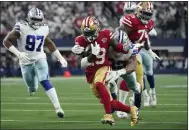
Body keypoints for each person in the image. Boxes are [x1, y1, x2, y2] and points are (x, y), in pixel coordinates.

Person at [72, 16, 140, 126]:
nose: (88, 36)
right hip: (90, 74)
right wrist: (88, 54)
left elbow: (118, 47)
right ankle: (132, 110)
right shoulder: (80, 40)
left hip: (103, 68)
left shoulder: (106, 34)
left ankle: (108, 116)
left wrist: (127, 47)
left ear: (97, 29)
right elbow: (80, 64)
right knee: (108, 102)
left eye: (91, 32)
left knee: (99, 84)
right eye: (86, 33)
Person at [3, 8, 68, 118]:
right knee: (32, 87)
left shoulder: (44, 28)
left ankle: (58, 108)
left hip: (39, 58)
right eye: (34, 19)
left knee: (45, 80)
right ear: (28, 18)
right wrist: (18, 53)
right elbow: (6, 41)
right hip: (25, 60)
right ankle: (32, 88)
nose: (37, 22)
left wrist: (60, 58)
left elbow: (49, 43)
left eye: (39, 20)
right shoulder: (21, 26)